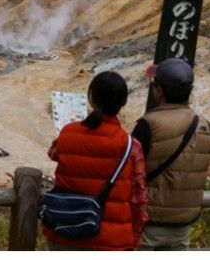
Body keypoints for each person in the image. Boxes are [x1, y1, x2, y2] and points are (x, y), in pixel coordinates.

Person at [43, 71, 149, 251]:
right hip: (111, 241)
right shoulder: (132, 145)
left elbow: (53, 153)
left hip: (65, 232)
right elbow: (138, 198)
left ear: (91, 97)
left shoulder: (69, 132)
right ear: (122, 103)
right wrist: (137, 237)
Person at [132, 58, 210, 250]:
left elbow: (130, 170)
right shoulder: (204, 126)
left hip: (148, 223)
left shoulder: (148, 125)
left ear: (159, 91)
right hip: (183, 225)